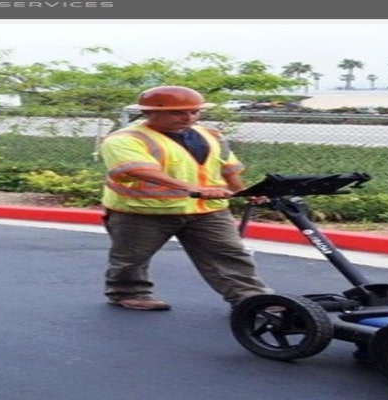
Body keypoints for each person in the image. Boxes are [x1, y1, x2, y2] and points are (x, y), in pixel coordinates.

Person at [98, 85, 272, 311]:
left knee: (229, 254)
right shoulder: (125, 139)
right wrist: (191, 188)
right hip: (144, 211)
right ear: (149, 112)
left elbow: (228, 167)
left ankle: (251, 299)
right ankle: (128, 292)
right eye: (178, 112)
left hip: (206, 210)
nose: (188, 117)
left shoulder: (210, 135)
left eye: (194, 112)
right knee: (132, 258)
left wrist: (244, 190)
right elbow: (138, 170)